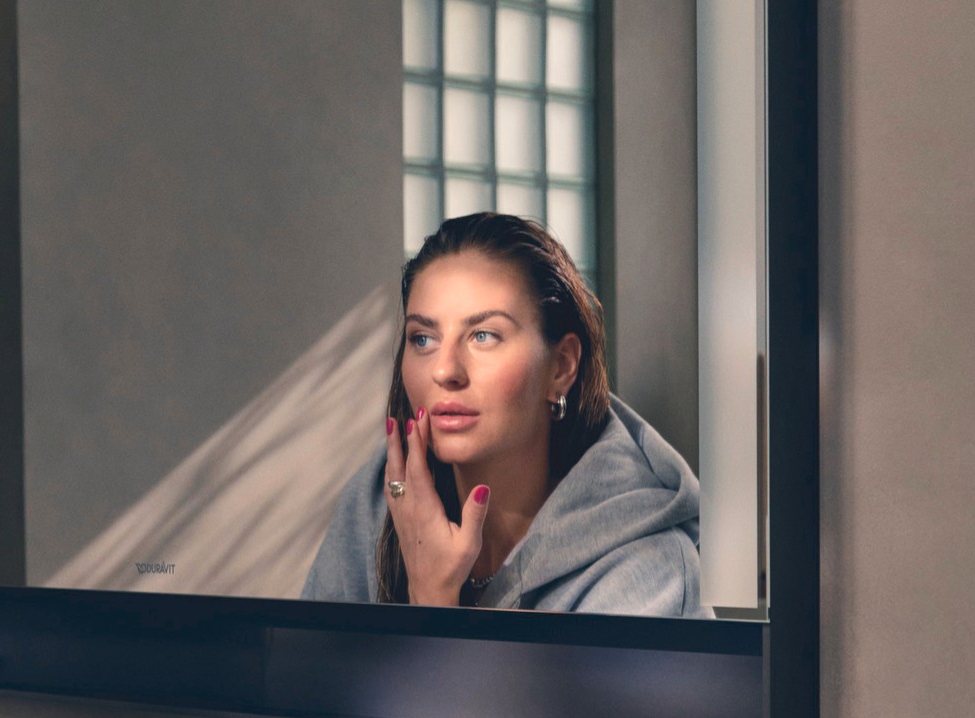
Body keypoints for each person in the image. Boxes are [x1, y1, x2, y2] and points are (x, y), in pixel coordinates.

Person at [301, 213, 707, 614]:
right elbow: (303, 677)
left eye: (484, 336)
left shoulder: (651, 571)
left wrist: (433, 599)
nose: (445, 371)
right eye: (423, 338)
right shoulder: (381, 499)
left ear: (562, 366)